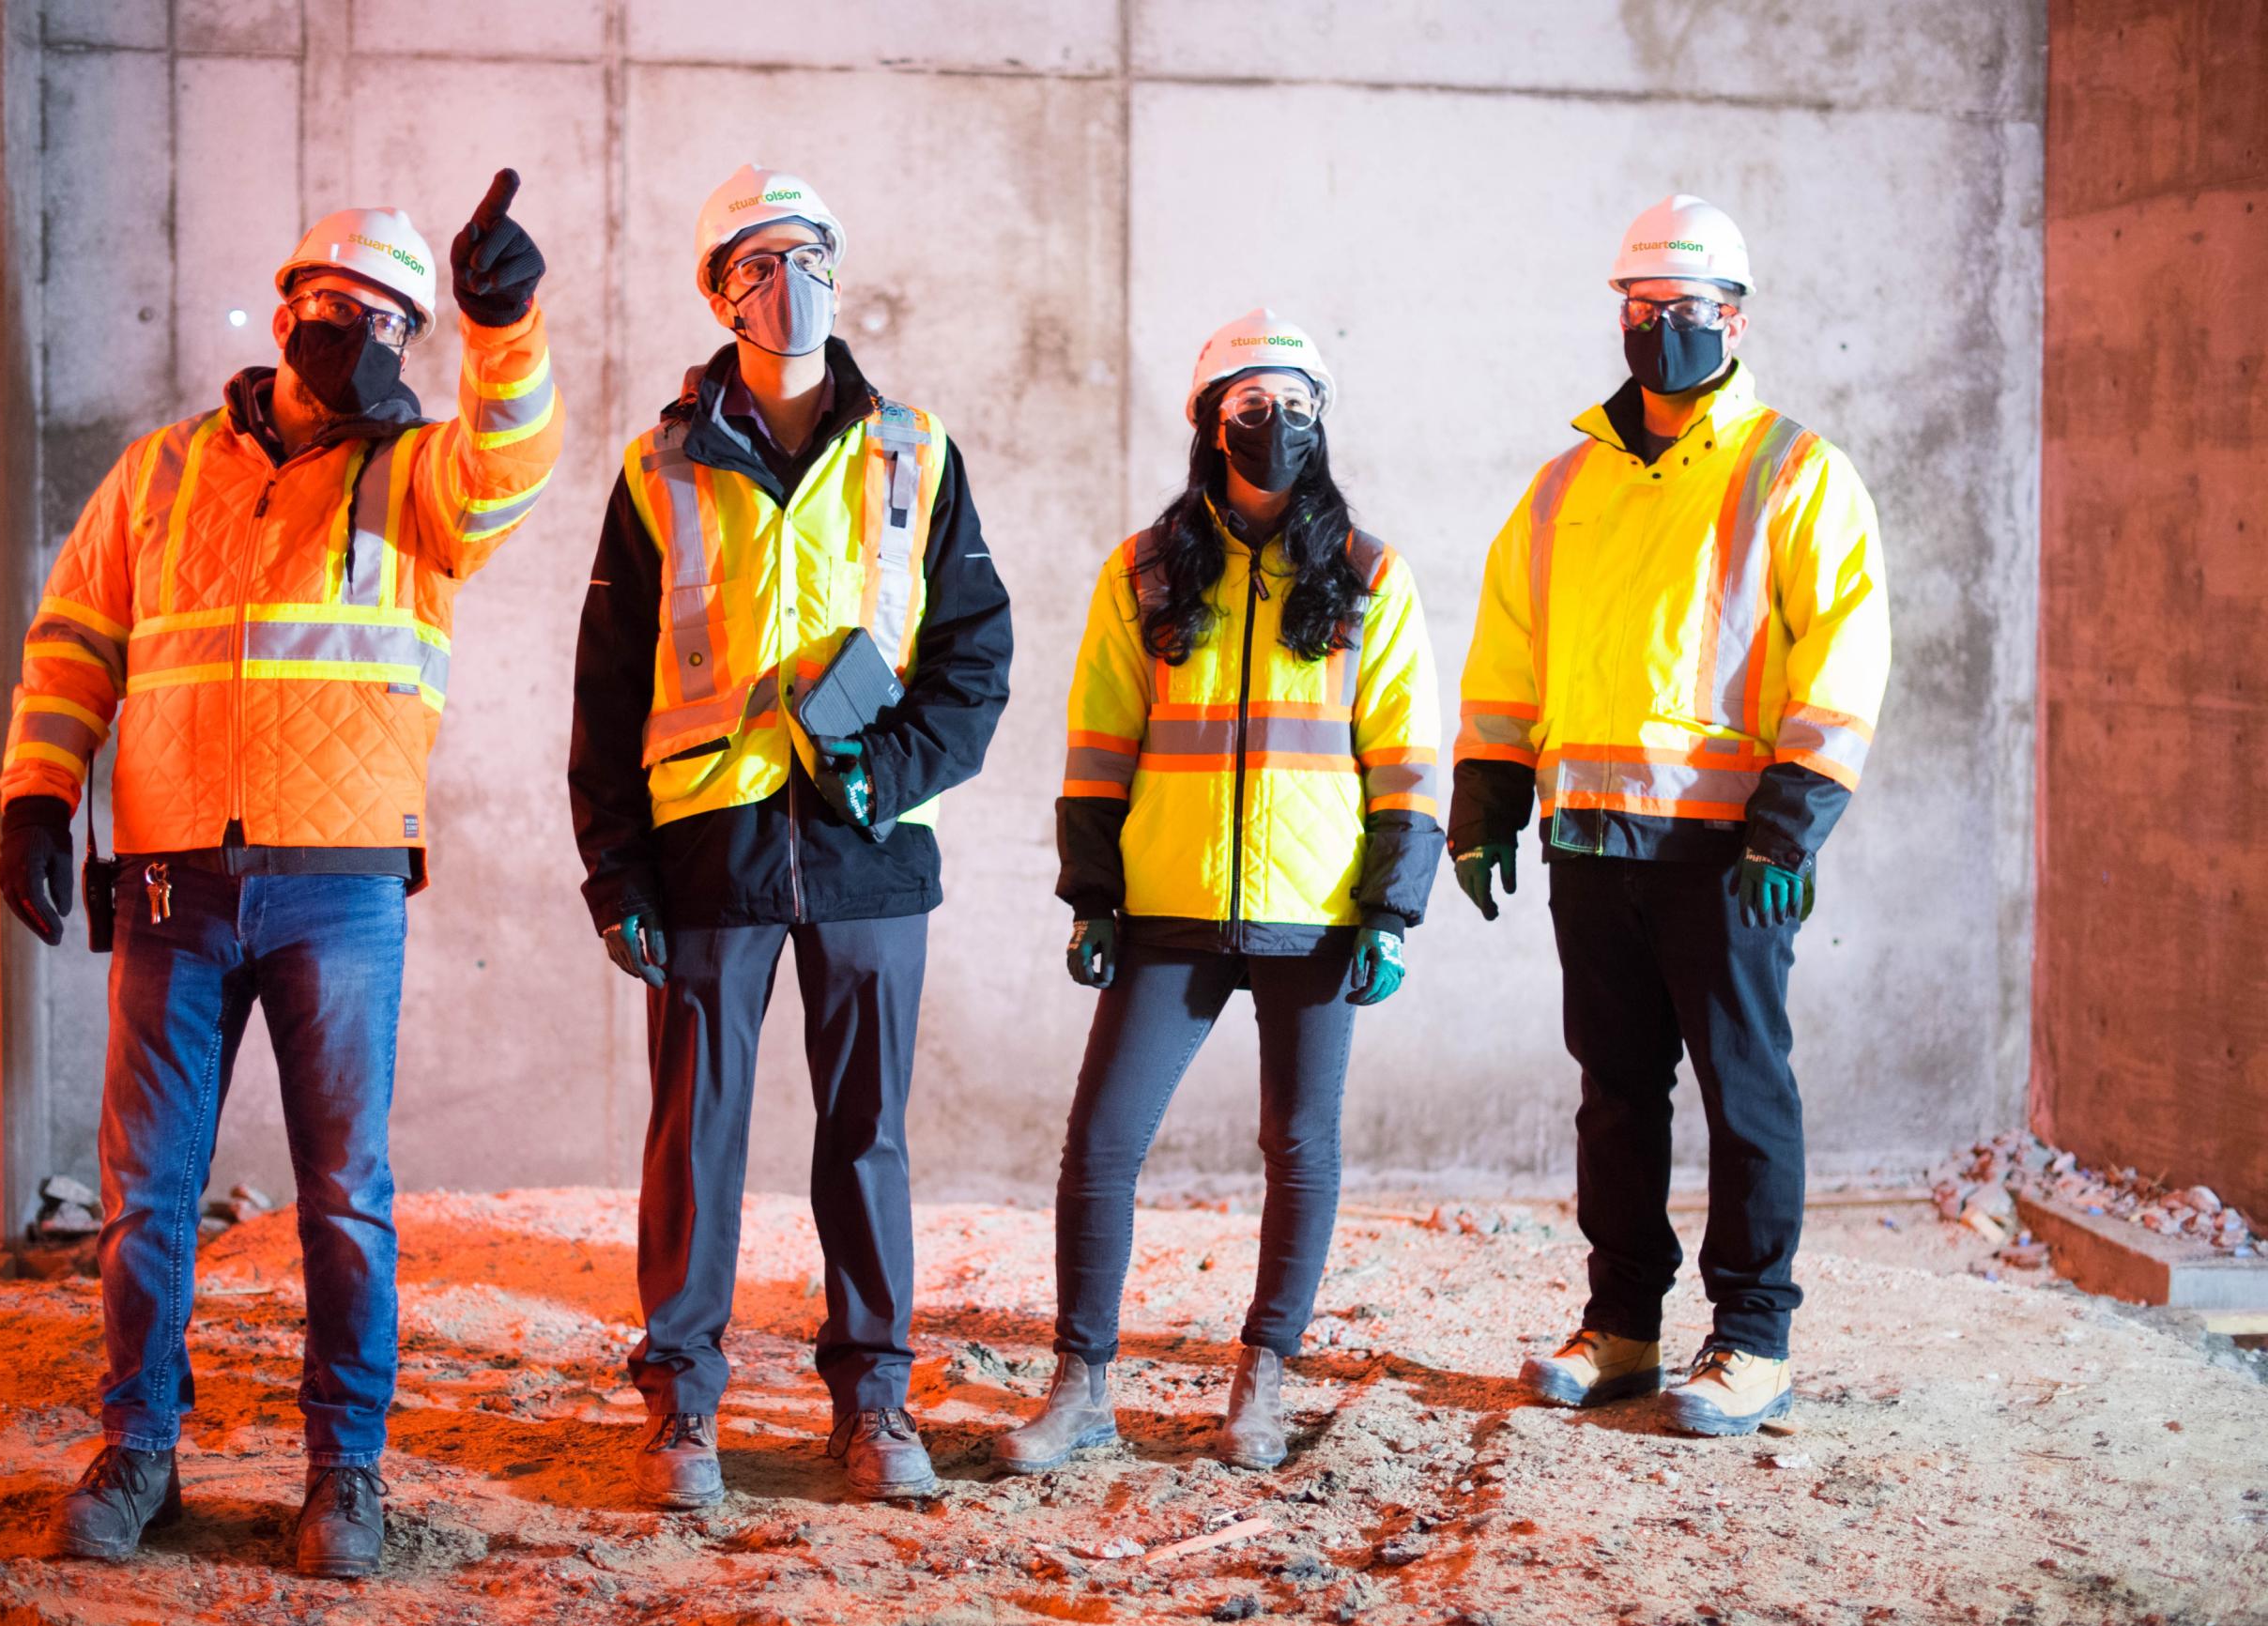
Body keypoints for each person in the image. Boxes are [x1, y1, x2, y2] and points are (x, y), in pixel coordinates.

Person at [0, 172, 560, 1571]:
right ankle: (139, 1449)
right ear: (285, 302)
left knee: (347, 1202)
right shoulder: (164, 470)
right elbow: (75, 642)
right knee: (144, 1200)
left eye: (392, 321)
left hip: (343, 887)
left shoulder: (420, 476)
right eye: (338, 307)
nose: (359, 335)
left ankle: (343, 1472)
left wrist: (508, 328)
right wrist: (35, 796)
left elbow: (515, 462)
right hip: (176, 887)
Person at [568, 165, 1012, 1508]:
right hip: (711, 849)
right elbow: (602, 689)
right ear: (717, 292)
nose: (788, 281)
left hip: (871, 853)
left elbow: (975, 660)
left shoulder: (915, 453)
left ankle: (876, 1404)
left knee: (867, 1132)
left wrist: (889, 774)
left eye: (808, 253)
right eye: (757, 262)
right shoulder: (658, 470)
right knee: (695, 1134)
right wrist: (615, 871)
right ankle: (682, 1413)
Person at [1448, 195, 1891, 1436]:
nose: (1664, 330)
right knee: (1617, 1095)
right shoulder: (1564, 486)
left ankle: (1752, 1338)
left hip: (1728, 855)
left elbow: (1845, 654)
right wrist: (1487, 796)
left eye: (1689, 312)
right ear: (1620, 314)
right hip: (1590, 842)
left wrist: (1789, 824)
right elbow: (1508, 653)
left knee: (1746, 1091)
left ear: (1736, 321)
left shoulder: (1793, 473)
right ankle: (1624, 1327)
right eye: (1644, 310)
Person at [998, 311, 1443, 1475]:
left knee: (1298, 1145)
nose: (1276, 424)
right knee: (1101, 1143)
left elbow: (1404, 754)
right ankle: (1081, 1385)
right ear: (1207, 423)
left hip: (1319, 913)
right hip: (1169, 905)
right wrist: (1092, 894)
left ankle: (1263, 1381)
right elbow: (1098, 739)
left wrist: (1391, 911)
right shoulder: (1142, 571)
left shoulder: (1363, 575)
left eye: (1297, 405)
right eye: (1251, 404)